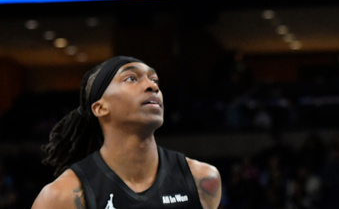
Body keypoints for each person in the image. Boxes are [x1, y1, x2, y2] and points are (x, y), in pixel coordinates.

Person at [31, 56, 222, 209]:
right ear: (100, 108)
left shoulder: (202, 179)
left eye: (154, 80)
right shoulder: (62, 196)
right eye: (131, 78)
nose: (152, 86)